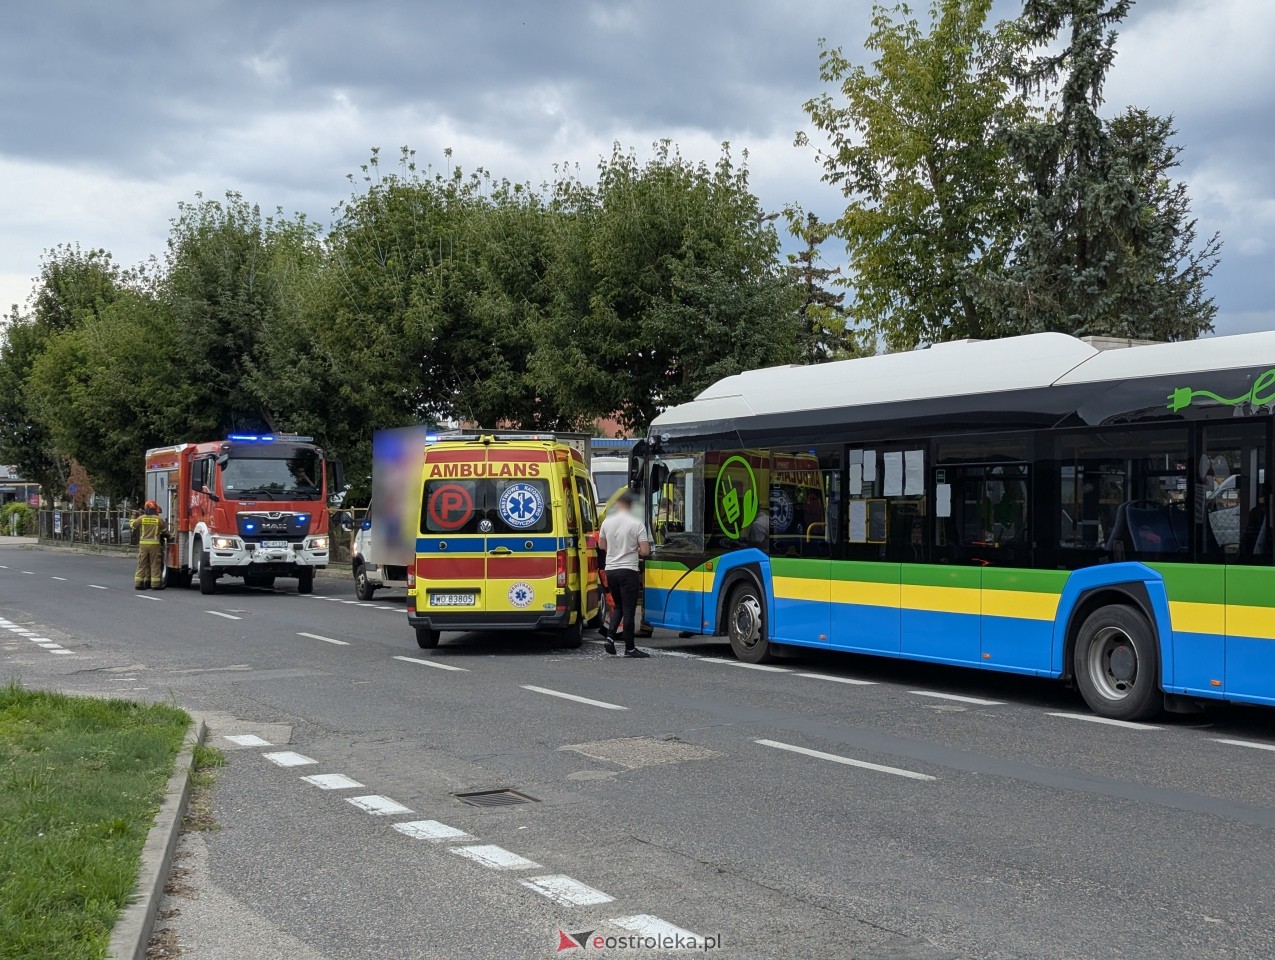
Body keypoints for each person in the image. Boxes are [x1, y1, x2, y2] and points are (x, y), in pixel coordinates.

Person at [597, 490, 650, 658]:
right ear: (630, 506)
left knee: (618, 606)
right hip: (628, 570)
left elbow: (601, 545)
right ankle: (630, 648)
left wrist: (615, 549)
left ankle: (610, 638)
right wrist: (633, 549)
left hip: (611, 570)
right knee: (629, 610)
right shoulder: (637, 523)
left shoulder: (607, 522)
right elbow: (645, 551)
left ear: (618, 505)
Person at [130, 500, 168, 590]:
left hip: (143, 545)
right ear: (155, 509)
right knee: (155, 564)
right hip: (155, 545)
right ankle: (155, 584)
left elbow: (132, 525)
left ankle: (139, 584)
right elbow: (164, 530)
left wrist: (133, 515)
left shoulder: (141, 518)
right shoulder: (158, 519)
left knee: (142, 564)